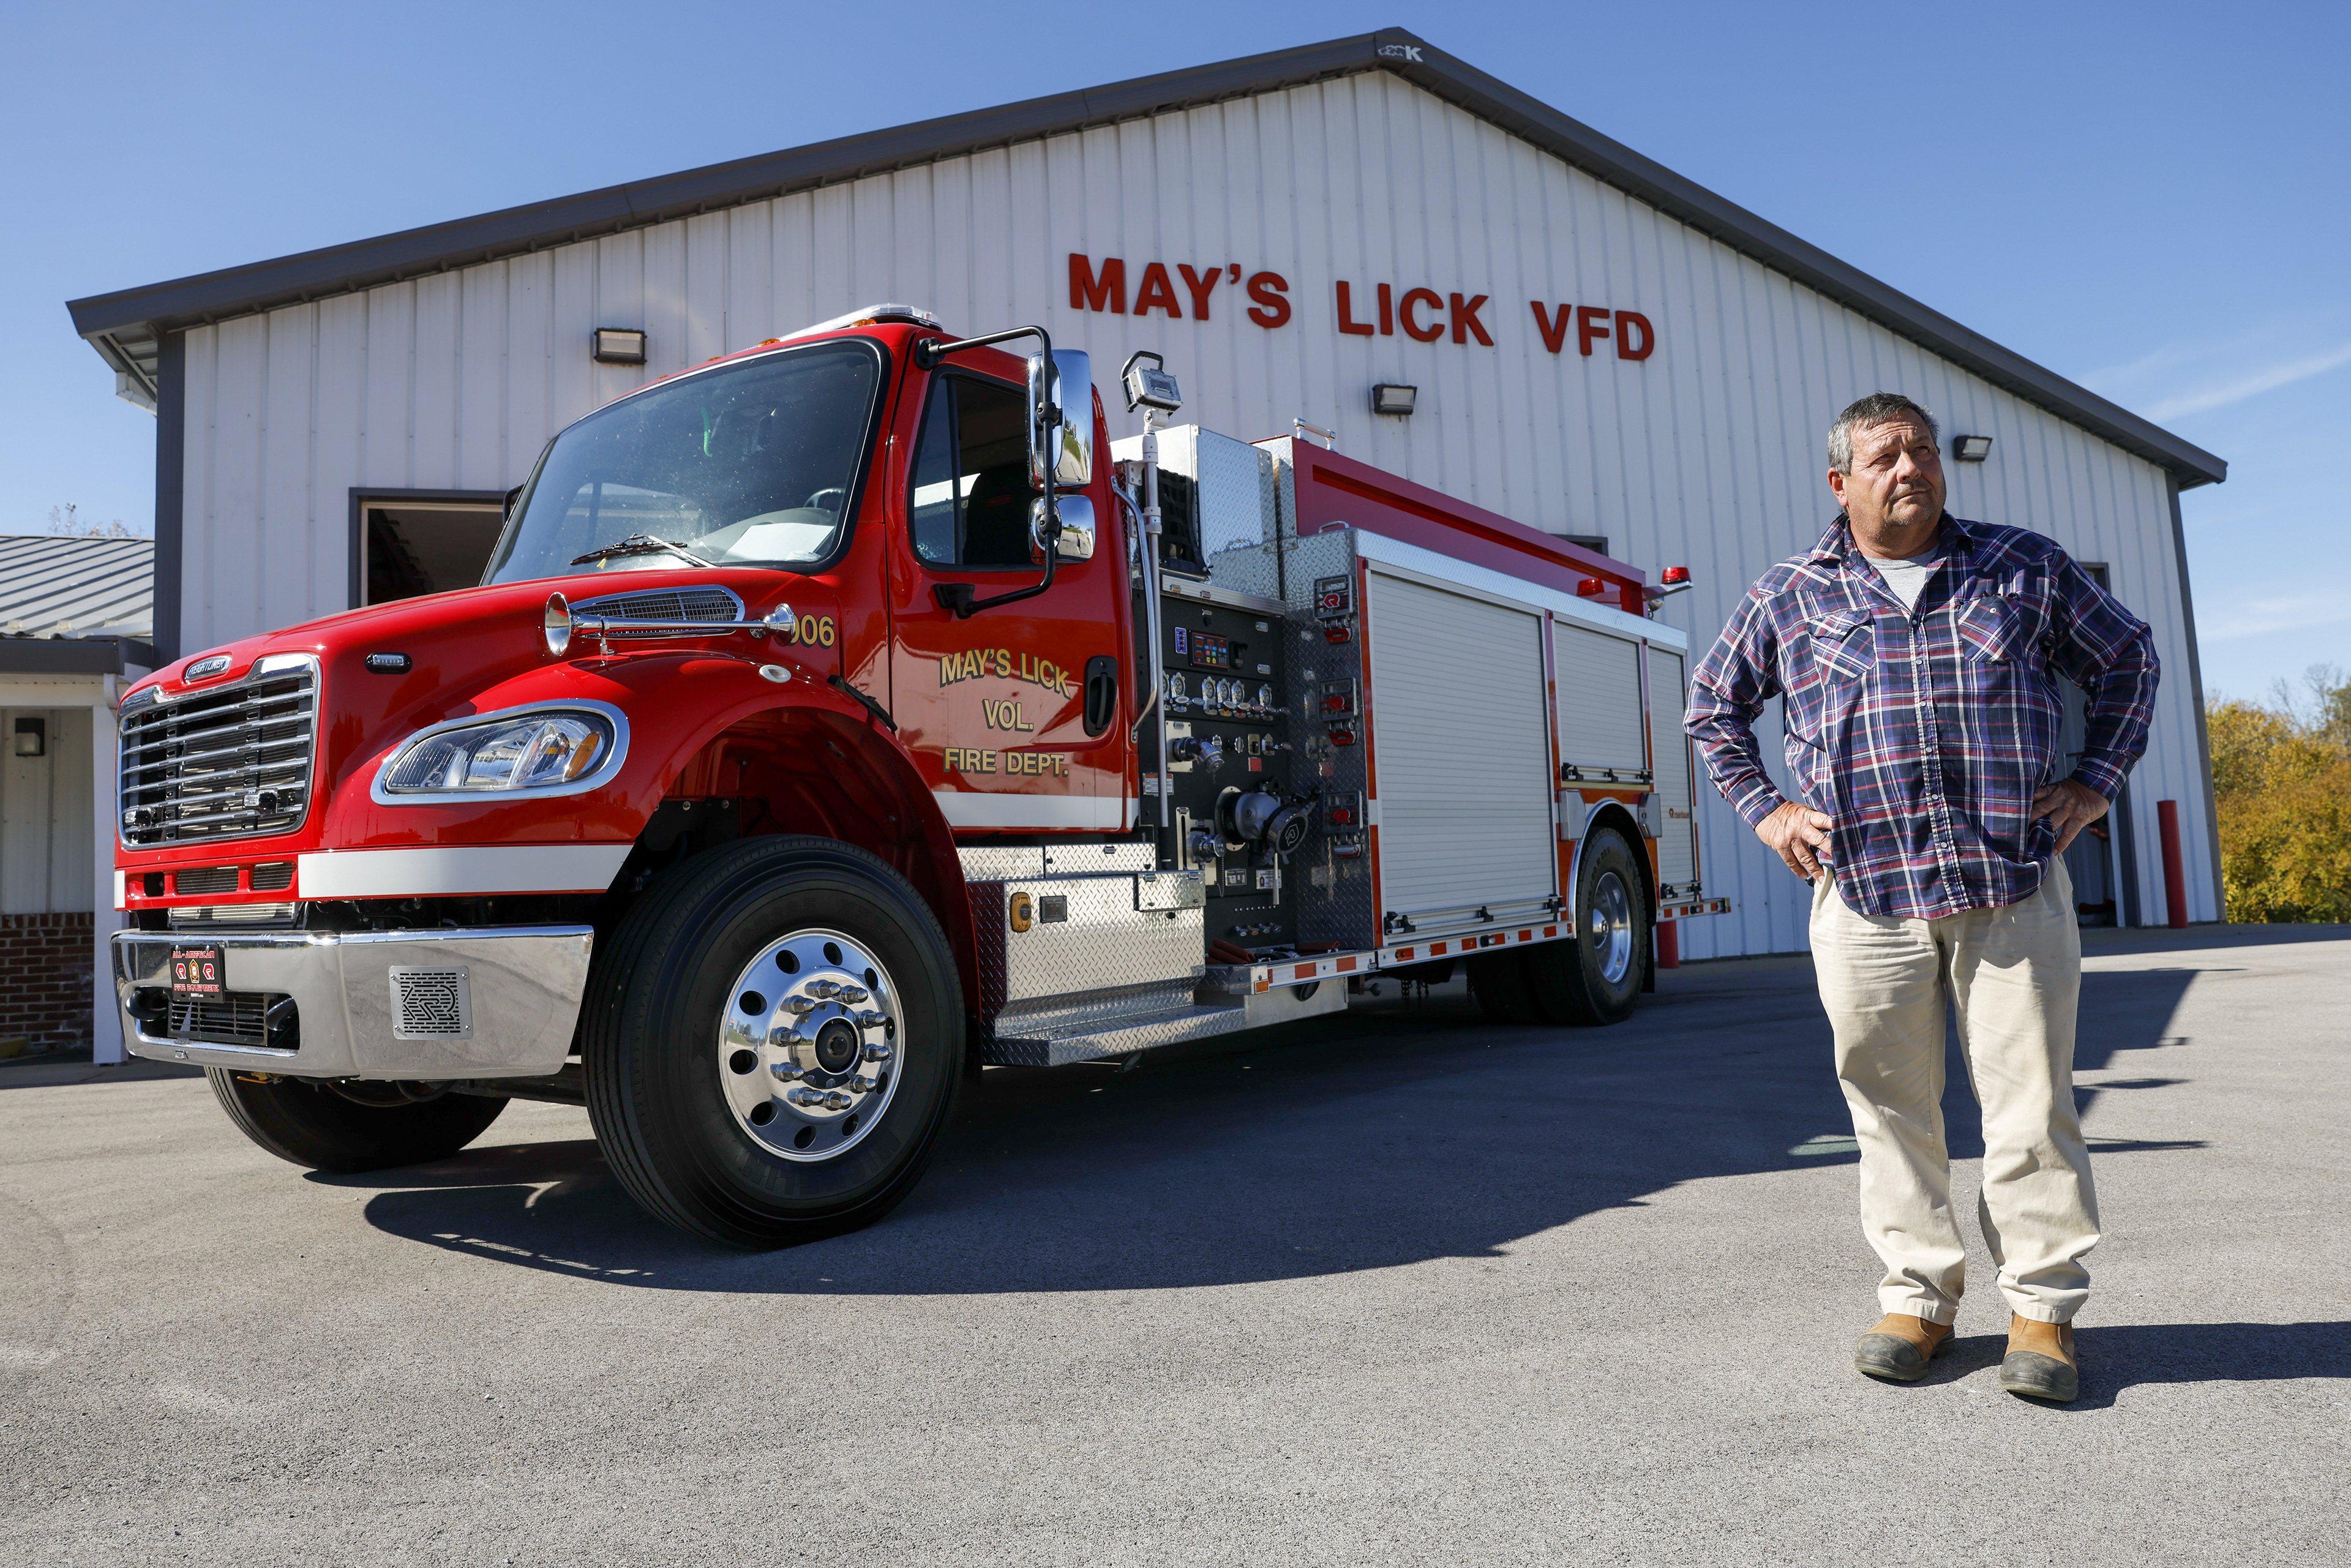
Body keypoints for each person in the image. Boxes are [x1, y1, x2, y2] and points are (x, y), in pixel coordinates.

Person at [1684, 392, 2158, 1401]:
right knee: (1891, 1106)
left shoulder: (2022, 567)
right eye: (1887, 454)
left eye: (1925, 450)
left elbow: (2129, 657)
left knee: (2030, 1106)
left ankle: (2042, 1310)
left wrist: (2095, 780)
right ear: (1841, 482)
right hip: (1864, 896)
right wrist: (1768, 812)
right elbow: (1712, 707)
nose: (1912, 467)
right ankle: (1919, 1297)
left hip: (2009, 883)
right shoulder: (1791, 594)